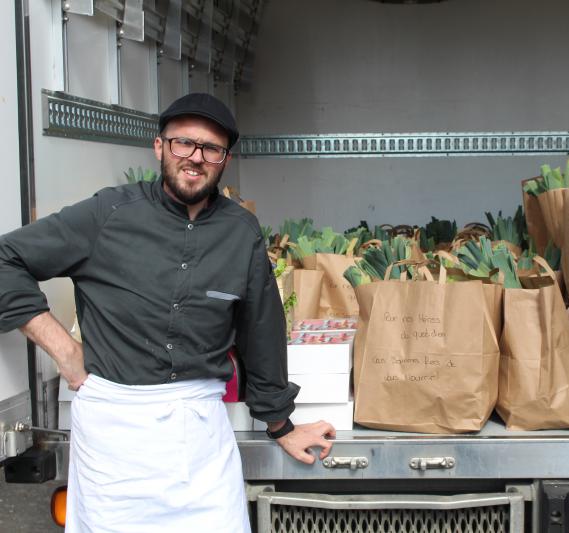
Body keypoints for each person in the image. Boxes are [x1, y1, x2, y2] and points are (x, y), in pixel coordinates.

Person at [0, 93, 335, 532]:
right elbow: (6, 260)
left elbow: (261, 331)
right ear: (159, 147)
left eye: (211, 149)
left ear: (224, 161)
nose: (195, 158)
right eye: (184, 144)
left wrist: (281, 425)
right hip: (112, 436)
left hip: (199, 437)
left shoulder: (241, 232)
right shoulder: (109, 213)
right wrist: (63, 349)